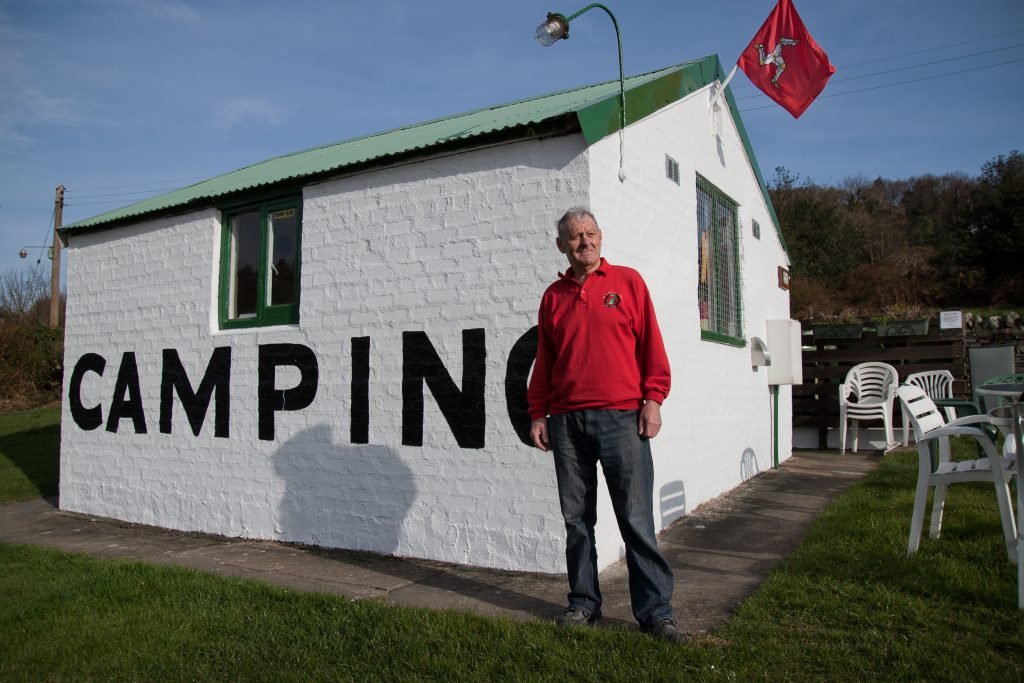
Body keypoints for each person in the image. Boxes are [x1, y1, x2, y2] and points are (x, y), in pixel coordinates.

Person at [527, 207, 684, 643]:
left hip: (622, 419)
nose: (584, 241)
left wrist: (653, 400)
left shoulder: (628, 283)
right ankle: (582, 604)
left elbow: (652, 345)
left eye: (590, 233)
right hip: (567, 423)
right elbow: (546, 362)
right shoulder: (553, 296)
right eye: (575, 236)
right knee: (576, 520)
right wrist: (538, 412)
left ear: (601, 237)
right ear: (562, 245)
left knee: (636, 519)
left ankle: (656, 613)